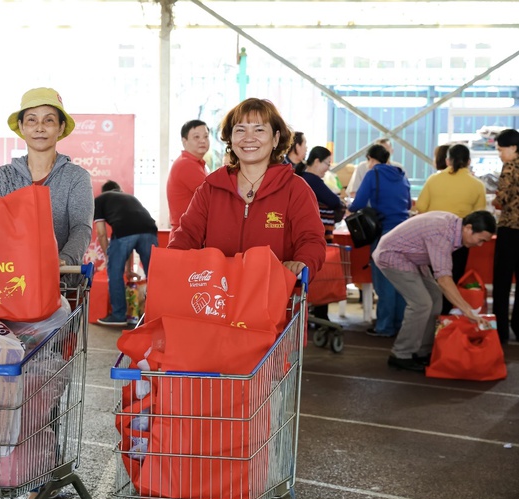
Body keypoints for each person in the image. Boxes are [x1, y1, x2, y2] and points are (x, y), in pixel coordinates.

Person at [168, 98, 326, 280]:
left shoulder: (295, 189)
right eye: (240, 130)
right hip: (218, 300)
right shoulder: (211, 188)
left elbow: (311, 240)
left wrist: (303, 262)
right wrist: (170, 266)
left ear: (275, 139)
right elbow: (187, 235)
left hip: (274, 299)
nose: (248, 138)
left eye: (259, 129)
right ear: (231, 139)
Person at [373, 211, 495, 372]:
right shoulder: (442, 233)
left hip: (413, 257)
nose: (479, 245)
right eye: (480, 240)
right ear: (468, 228)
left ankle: (423, 350)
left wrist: (467, 310)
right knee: (421, 303)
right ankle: (401, 354)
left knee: (436, 297)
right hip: (393, 255)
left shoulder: (453, 227)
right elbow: (444, 280)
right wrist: (468, 311)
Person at [0, 87, 93, 270]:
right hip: (9, 278)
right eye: (31, 120)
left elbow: (81, 228)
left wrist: (64, 260)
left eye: (49, 120)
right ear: (21, 126)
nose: (40, 128)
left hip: (61, 284)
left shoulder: (76, 177)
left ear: (60, 127)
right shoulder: (3, 177)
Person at [349, 143, 411, 338]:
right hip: (405, 231)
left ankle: (384, 327)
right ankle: (399, 324)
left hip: (384, 232)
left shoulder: (373, 174)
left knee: (383, 281)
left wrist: (349, 206)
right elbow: (408, 203)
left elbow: (358, 203)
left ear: (372, 160)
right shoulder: (401, 175)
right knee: (401, 280)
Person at [416, 144, 486, 314]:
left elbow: (420, 207)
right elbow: (480, 216)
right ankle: (443, 319)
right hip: (459, 240)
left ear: (448, 160)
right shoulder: (477, 185)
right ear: (469, 162)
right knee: (451, 280)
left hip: (433, 237)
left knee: (431, 279)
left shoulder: (434, 179)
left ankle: (428, 318)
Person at [93, 180, 158, 326]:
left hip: (124, 231)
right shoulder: (130, 198)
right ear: (119, 189)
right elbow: (132, 241)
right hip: (149, 229)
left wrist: (109, 258)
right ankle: (157, 313)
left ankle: (118, 316)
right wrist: (128, 269)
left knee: (114, 272)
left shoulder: (99, 200)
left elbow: (102, 234)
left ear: (104, 191)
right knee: (154, 273)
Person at [300, 146, 346, 322]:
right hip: (319, 237)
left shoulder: (303, 178)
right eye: (327, 163)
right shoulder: (312, 180)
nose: (328, 168)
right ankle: (321, 316)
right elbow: (335, 202)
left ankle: (316, 314)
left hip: (308, 237)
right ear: (317, 161)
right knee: (322, 276)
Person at [492, 128, 519, 344]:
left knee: (502, 282)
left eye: (502, 149)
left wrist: (497, 198)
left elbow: (503, 197)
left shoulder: (509, 167)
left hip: (510, 230)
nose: (500, 154)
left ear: (513, 148)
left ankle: (500, 330)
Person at [166, 120, 209, 230]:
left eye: (206, 136)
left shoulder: (197, 164)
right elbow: (212, 196)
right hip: (187, 234)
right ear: (184, 141)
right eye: (196, 137)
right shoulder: (187, 164)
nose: (202, 141)